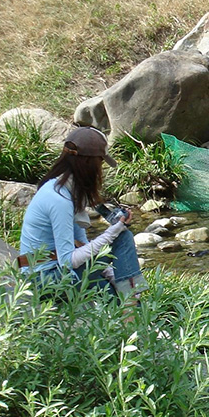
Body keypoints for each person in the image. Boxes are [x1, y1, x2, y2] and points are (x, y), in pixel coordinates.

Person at [18, 126, 147, 297]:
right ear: (89, 164)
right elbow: (68, 261)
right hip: (44, 280)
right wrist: (111, 233)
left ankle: (130, 305)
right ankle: (132, 302)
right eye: (100, 163)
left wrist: (110, 274)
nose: (101, 171)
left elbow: (82, 245)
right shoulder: (59, 200)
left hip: (52, 272)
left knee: (110, 294)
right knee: (122, 238)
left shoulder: (64, 190)